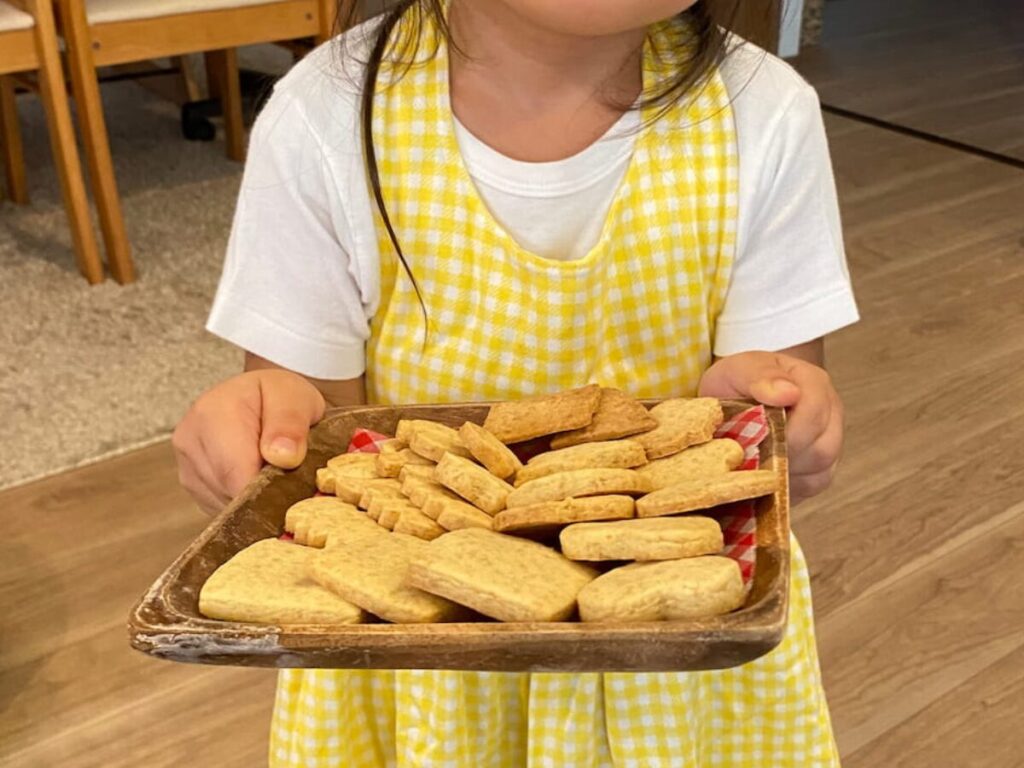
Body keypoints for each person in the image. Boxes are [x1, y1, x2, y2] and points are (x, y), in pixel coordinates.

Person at [173, 0, 858, 764]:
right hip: (424, 657)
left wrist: (768, 415)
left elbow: (773, 413)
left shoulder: (763, 113)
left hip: (667, 664)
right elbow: (323, 439)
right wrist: (268, 419)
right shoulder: (324, 115)